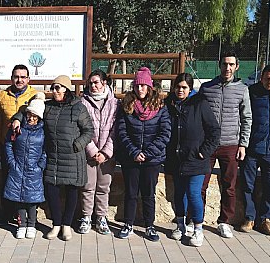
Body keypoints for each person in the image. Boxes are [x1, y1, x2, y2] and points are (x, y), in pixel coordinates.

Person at [14, 75, 93, 241]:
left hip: (72, 157)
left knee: (72, 191)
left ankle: (66, 225)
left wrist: (78, 145)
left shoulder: (78, 107)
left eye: (58, 88)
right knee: (52, 191)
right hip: (53, 157)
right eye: (53, 88)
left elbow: (88, 131)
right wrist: (17, 119)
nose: (54, 91)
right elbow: (28, 111)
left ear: (66, 89)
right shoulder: (48, 107)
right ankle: (56, 224)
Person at [199, 51, 252, 238]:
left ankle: (224, 221)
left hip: (231, 144)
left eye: (231, 64)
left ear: (236, 67)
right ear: (219, 65)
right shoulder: (207, 88)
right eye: (224, 64)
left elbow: (247, 118)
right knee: (201, 185)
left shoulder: (242, 89)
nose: (227, 68)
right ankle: (196, 219)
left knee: (229, 186)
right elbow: (199, 117)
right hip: (208, 145)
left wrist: (243, 144)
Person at [165, 73, 220, 247]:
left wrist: (205, 151)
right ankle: (180, 225)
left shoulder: (200, 103)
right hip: (176, 158)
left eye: (184, 88)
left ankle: (197, 229)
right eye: (178, 87)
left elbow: (214, 131)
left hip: (196, 159)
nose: (180, 90)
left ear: (190, 89)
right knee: (179, 194)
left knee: (194, 193)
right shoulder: (169, 104)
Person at [116, 67, 171, 242]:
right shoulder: (127, 106)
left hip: (152, 159)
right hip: (131, 158)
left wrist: (147, 153)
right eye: (137, 85)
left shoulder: (160, 107)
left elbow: (165, 133)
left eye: (143, 85)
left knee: (148, 193)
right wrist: (134, 152)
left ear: (149, 87)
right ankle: (128, 223)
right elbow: (122, 132)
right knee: (131, 192)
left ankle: (149, 226)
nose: (140, 89)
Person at [240, 64, 270, 235]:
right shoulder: (251, 92)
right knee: (247, 185)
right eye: (267, 78)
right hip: (251, 149)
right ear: (261, 78)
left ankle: (266, 219)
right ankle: (249, 217)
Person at [77, 70, 119, 235]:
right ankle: (86, 217)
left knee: (103, 187)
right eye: (91, 83)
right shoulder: (82, 103)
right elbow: (80, 128)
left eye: (96, 82)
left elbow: (116, 130)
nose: (93, 86)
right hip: (89, 153)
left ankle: (101, 217)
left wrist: (106, 152)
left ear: (104, 83)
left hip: (107, 154)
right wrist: (93, 150)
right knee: (88, 187)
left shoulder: (115, 104)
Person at [0, 64, 37, 223]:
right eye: (16, 77)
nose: (19, 80)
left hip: (28, 146)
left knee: (26, 180)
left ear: (28, 79)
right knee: (7, 179)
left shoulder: (35, 95)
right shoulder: (2, 95)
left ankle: (25, 216)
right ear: (12, 78)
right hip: (8, 146)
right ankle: (7, 213)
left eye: (23, 77)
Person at [4, 93, 47, 239]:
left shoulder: (43, 131)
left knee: (32, 200)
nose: (31, 118)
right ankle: (21, 224)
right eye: (29, 114)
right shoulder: (18, 127)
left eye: (35, 116)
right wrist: (12, 162)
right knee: (19, 199)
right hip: (18, 167)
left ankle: (32, 225)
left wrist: (40, 165)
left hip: (34, 170)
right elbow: (9, 144)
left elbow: (46, 150)